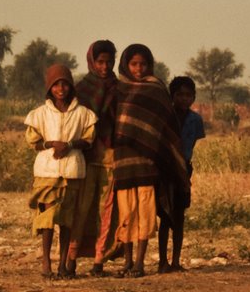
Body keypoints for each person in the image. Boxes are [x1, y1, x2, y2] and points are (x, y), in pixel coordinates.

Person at [112, 44, 189, 278]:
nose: (138, 68)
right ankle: (126, 261)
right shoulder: (118, 88)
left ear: (150, 64)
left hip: (147, 162)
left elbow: (165, 127)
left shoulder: (156, 89)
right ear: (126, 64)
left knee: (145, 213)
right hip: (123, 160)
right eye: (134, 64)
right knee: (126, 213)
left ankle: (139, 263)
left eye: (143, 64)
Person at [23, 63, 97, 279]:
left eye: (64, 84)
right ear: (50, 88)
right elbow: (34, 141)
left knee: (67, 220)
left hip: (72, 170)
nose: (61, 89)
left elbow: (89, 140)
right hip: (47, 172)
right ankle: (46, 263)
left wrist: (70, 145)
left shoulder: (83, 114)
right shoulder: (40, 114)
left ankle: (63, 264)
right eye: (56, 85)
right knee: (47, 219)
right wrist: (52, 144)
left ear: (71, 87)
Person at [65, 40, 120, 277]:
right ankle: (71, 259)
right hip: (85, 158)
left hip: (111, 156)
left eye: (109, 62)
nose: (105, 66)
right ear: (92, 61)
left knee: (106, 210)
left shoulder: (120, 88)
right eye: (100, 61)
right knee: (82, 209)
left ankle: (99, 260)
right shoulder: (81, 90)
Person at [158, 75, 206, 273]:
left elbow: (192, 144)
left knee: (179, 216)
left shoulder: (195, 120)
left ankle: (176, 260)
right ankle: (162, 261)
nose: (184, 99)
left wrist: (183, 165)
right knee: (165, 216)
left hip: (184, 169)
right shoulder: (166, 116)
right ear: (172, 96)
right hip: (166, 169)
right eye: (180, 95)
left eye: (188, 95)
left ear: (193, 97)